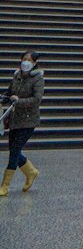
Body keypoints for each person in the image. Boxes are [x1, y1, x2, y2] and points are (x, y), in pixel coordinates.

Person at [1, 50, 43, 196]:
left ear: (34, 63)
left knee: (14, 151)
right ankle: (31, 172)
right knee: (14, 149)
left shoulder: (37, 79)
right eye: (24, 59)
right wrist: (5, 98)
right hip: (15, 119)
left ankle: (5, 186)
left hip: (28, 120)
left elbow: (36, 99)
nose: (25, 62)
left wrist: (19, 101)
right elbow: (9, 93)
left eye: (29, 60)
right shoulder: (16, 76)